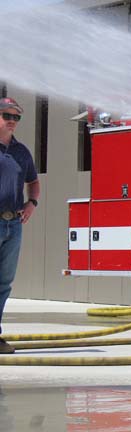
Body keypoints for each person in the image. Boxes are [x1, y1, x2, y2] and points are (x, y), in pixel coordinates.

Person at [0, 97, 40, 354]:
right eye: (7, 115)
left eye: (17, 117)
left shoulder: (21, 152)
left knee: (4, 282)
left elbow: (33, 182)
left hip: (13, 224)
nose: (12, 121)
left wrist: (32, 203)